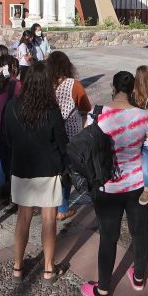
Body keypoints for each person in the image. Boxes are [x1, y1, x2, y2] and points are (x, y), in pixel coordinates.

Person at [81, 71, 148, 296]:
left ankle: (102, 291)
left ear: (113, 87)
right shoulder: (143, 116)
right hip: (136, 186)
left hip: (107, 187)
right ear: (132, 90)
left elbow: (85, 142)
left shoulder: (97, 113)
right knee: (140, 232)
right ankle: (139, 277)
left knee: (108, 238)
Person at [4, 62, 68, 281]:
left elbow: (7, 139)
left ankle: (17, 266)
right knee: (49, 219)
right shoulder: (52, 110)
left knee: (23, 218)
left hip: (22, 167)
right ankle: (49, 268)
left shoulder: (12, 107)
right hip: (48, 169)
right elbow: (62, 143)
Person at [46, 51, 91, 220]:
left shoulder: (45, 83)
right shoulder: (74, 85)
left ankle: (48, 203)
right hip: (71, 133)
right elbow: (86, 107)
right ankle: (62, 208)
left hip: (49, 131)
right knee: (66, 171)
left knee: (51, 170)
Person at [0, 55, 21, 199]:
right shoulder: (16, 84)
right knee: (13, 159)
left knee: (0, 157)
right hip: (11, 128)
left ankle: (2, 186)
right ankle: (13, 189)